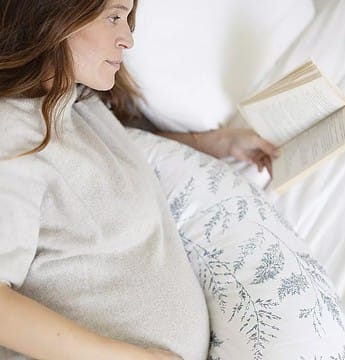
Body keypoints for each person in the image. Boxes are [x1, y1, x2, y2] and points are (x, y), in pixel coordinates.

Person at [0, 0, 297, 359]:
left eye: (127, 20)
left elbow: (113, 159)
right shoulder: (13, 134)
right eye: (113, 17)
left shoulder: (77, 103)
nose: (127, 39)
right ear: (52, 15)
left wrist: (210, 144)